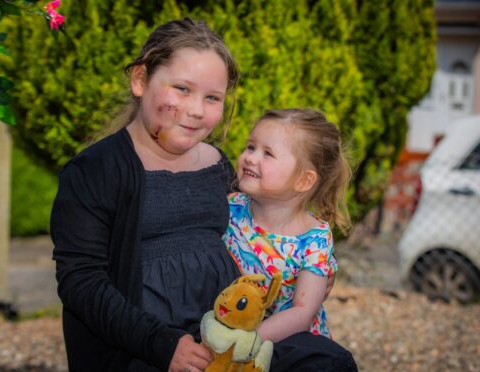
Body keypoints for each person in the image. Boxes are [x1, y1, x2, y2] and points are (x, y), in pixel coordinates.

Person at [51, 18, 357, 372]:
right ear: (140, 80)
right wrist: (163, 345)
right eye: (181, 89)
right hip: (141, 346)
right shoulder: (95, 171)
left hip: (228, 338)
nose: (196, 110)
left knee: (328, 361)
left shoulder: (217, 166)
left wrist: (299, 278)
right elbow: (81, 283)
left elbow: (263, 231)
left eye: (212, 98)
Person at [224, 108, 352, 342]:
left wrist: (248, 341)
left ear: (304, 180)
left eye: (268, 153)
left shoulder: (314, 239)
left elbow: (303, 311)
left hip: (290, 345)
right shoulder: (230, 209)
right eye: (251, 147)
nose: (250, 157)